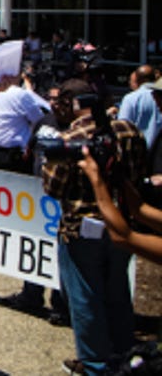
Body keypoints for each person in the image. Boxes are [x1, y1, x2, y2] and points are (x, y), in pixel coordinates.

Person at [41, 79, 146, 375]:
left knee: (85, 298)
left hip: (81, 228)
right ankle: (126, 358)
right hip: (122, 224)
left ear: (71, 103)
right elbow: (139, 172)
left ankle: (94, 365)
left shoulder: (70, 139)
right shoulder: (130, 130)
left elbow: (53, 188)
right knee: (118, 293)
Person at [118, 65, 160, 151]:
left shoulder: (130, 98)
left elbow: (122, 127)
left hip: (138, 153)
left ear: (137, 80)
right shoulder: (159, 96)